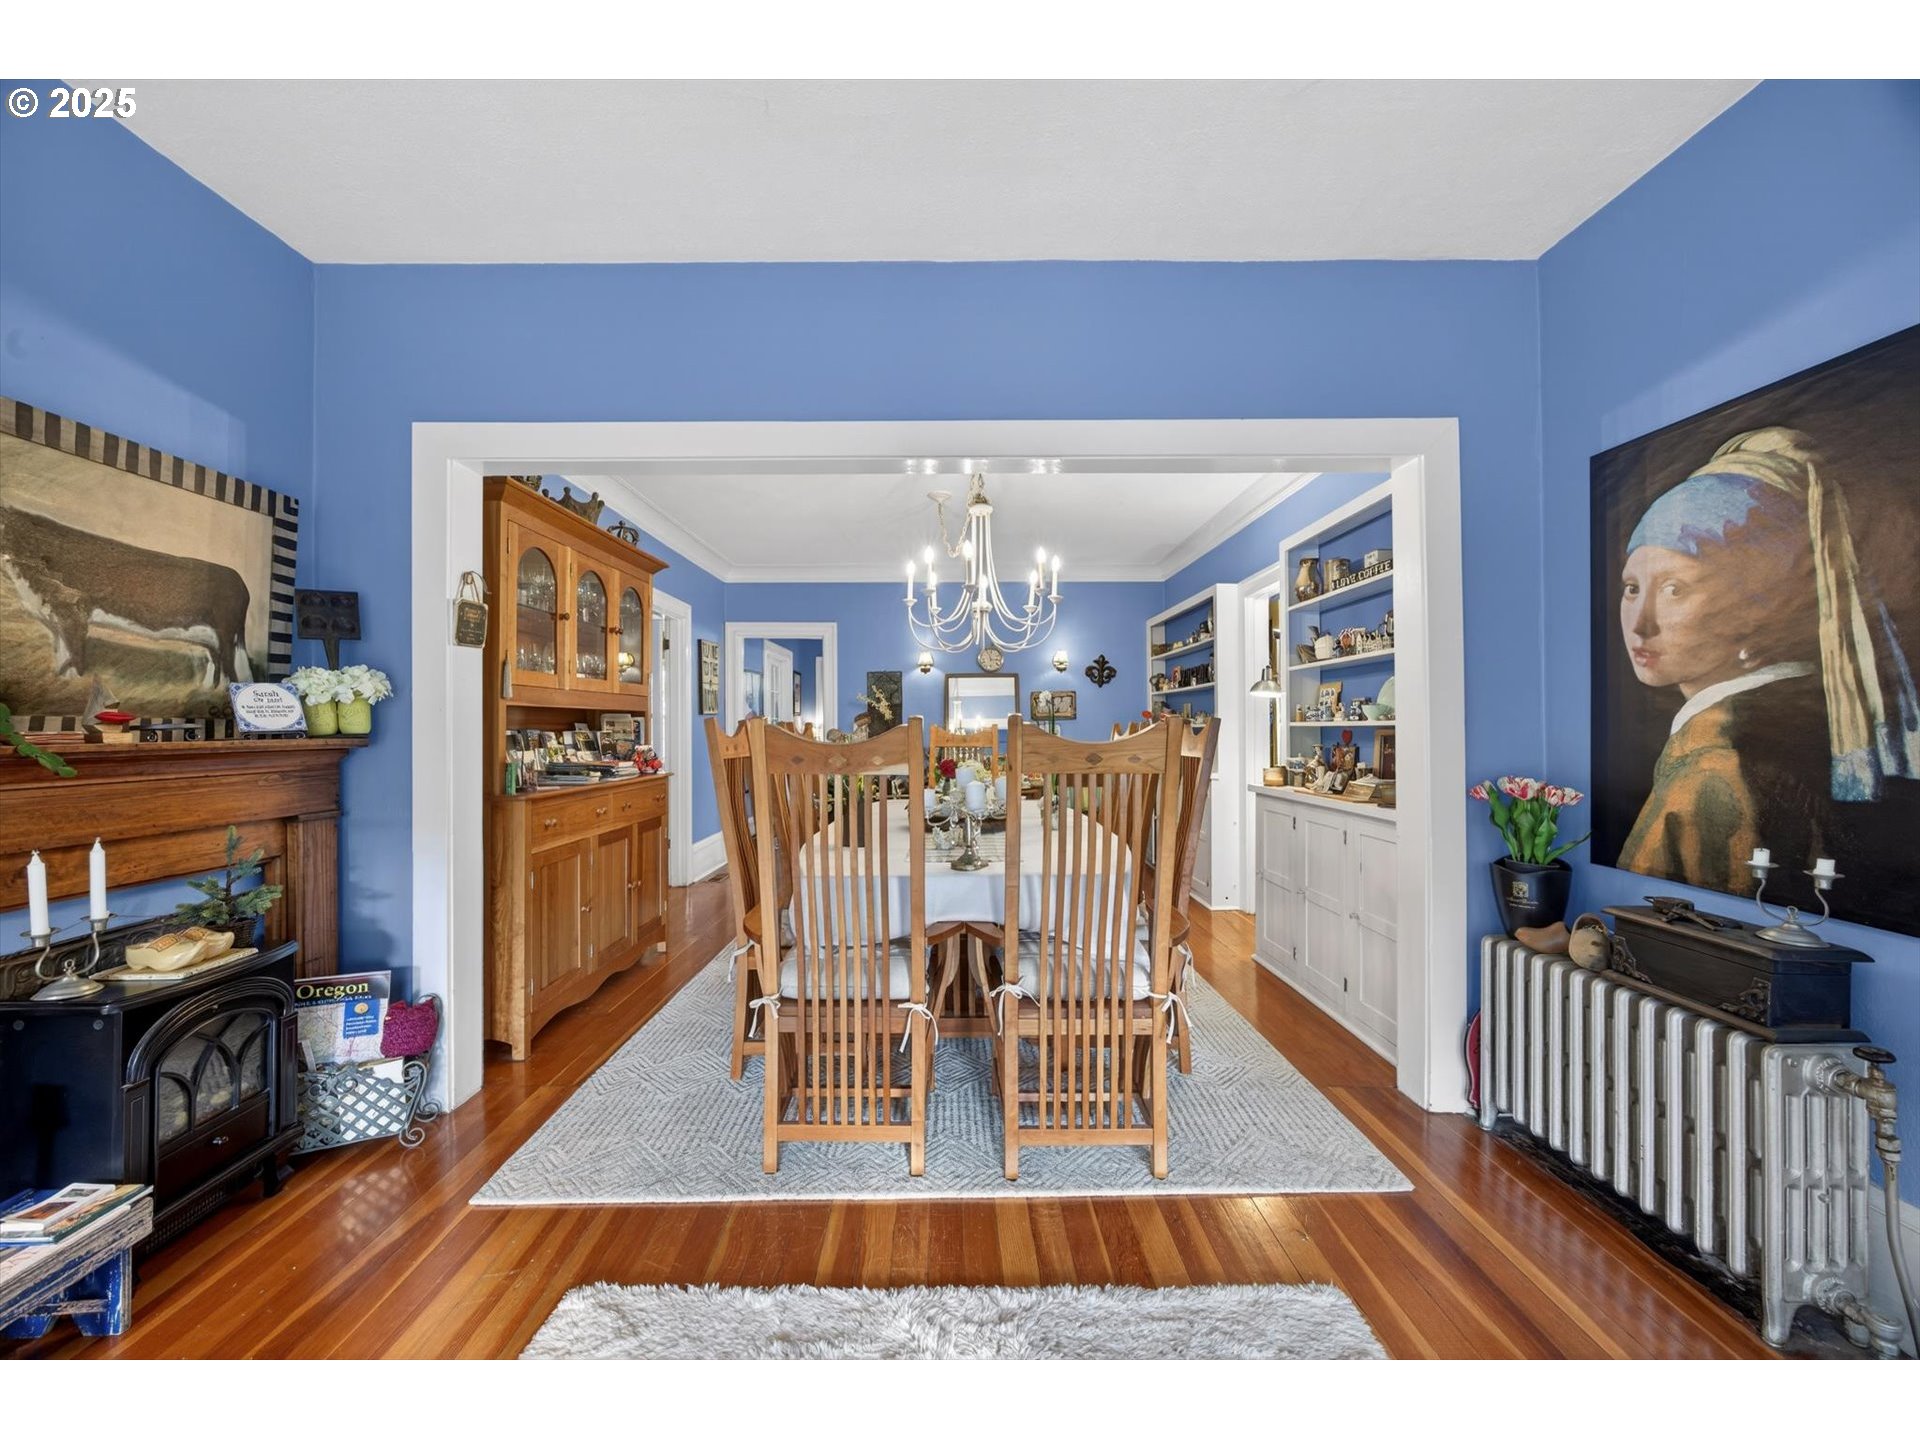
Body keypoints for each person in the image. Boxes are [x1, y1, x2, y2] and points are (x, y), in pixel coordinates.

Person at [1615, 427, 1920, 896]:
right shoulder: (1819, 723)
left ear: (1758, 605)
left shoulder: (1717, 763)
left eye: (1675, 588)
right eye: (1633, 588)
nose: (1640, 623)